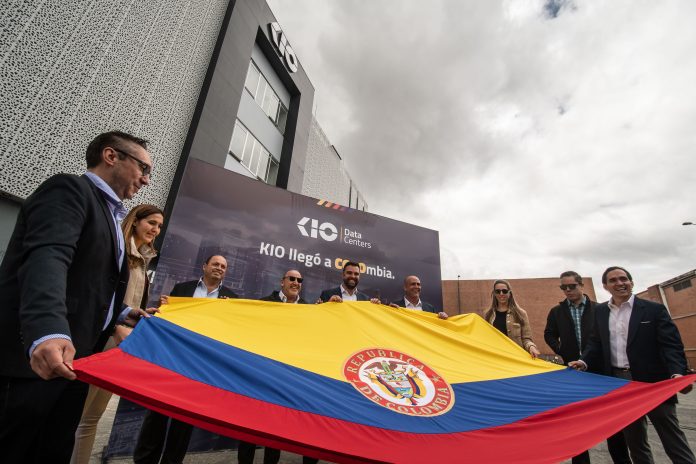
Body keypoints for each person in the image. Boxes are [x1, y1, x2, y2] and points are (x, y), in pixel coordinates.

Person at [0, 130, 154, 463]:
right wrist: (48, 331)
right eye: (143, 168)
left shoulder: (110, 215)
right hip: (37, 361)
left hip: (77, 364)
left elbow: (89, 282)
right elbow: (48, 258)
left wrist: (123, 312)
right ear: (111, 156)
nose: (145, 179)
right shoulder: (69, 190)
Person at [570, 266, 695, 464]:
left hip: (654, 383)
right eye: (613, 280)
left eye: (623, 279)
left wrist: (677, 373)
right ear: (605, 286)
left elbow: (671, 346)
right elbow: (595, 342)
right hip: (620, 385)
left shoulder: (654, 310)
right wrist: (583, 361)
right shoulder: (601, 311)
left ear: (631, 282)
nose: (620, 283)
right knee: (635, 442)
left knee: (673, 439)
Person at [71, 204, 164, 464]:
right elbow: (100, 296)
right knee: (78, 415)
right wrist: (116, 324)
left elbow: (128, 303)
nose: (156, 230)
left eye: (159, 226)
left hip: (121, 346)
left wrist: (143, 312)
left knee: (92, 417)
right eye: (151, 223)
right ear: (135, 221)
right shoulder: (118, 251)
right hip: (101, 341)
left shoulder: (143, 260)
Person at [134, 255, 238, 464]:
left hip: (200, 365)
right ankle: (145, 460)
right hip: (172, 359)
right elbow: (165, 318)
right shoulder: (182, 289)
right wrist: (165, 308)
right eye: (215, 264)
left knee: (184, 420)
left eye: (223, 266)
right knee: (157, 413)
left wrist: (229, 312)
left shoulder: (231, 299)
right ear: (205, 266)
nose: (219, 268)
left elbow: (230, 333)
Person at [544, 271, 631, 464]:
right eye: (564, 287)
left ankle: (622, 460)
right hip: (573, 374)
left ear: (581, 285)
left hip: (601, 371)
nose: (568, 290)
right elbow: (549, 334)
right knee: (576, 422)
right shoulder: (556, 312)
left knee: (610, 421)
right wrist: (562, 350)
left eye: (572, 286)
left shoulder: (600, 309)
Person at [238, 269, 318, 464]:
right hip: (261, 375)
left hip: (288, 378)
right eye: (292, 278)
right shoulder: (264, 303)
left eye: (300, 280)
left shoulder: (310, 310)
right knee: (250, 427)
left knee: (276, 429)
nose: (296, 282)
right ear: (282, 282)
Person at [482, 279, 540, 358]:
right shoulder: (488, 315)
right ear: (494, 293)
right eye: (498, 291)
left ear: (509, 293)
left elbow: (526, 339)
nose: (501, 294)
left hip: (515, 357)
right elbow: (485, 338)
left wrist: (531, 347)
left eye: (504, 291)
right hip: (495, 357)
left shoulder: (521, 313)